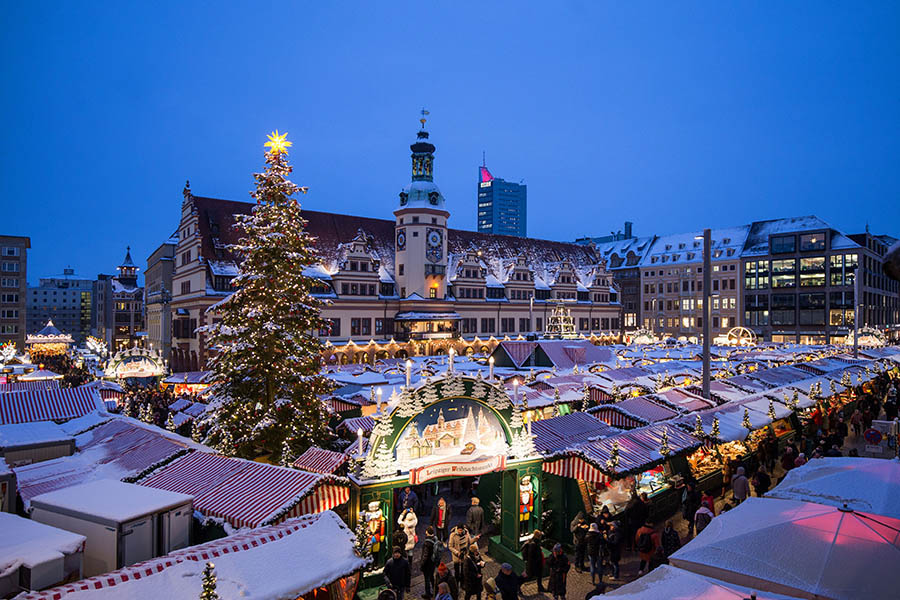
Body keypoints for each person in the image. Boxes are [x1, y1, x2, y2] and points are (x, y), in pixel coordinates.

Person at [421, 526, 438, 599]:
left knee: (427, 579)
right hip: (433, 562)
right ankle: (435, 590)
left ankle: (427, 594)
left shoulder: (427, 543)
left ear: (427, 532)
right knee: (431, 577)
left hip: (427, 564)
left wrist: (422, 564)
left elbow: (425, 555)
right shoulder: (435, 539)